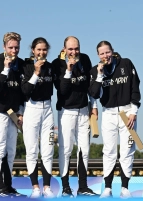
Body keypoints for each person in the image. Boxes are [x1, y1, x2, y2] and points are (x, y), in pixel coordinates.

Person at [88, 40, 141, 199]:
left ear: (112, 51)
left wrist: (134, 110)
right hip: (108, 114)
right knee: (109, 151)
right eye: (102, 53)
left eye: (107, 52)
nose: (105, 56)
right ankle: (108, 188)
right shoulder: (94, 71)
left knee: (127, 150)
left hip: (127, 113)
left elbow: (135, 87)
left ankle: (125, 187)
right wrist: (99, 75)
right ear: (98, 55)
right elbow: (94, 94)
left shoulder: (126, 63)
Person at [52, 36, 98, 197]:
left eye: (76, 48)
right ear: (64, 49)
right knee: (65, 150)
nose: (74, 52)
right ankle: (65, 187)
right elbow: (62, 90)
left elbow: (91, 86)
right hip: (66, 111)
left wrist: (94, 106)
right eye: (70, 49)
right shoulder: (57, 64)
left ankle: (83, 187)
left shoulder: (85, 59)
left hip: (84, 110)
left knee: (84, 149)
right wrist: (69, 70)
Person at [0, 32, 25, 197]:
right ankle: (0, 186)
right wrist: (6, 70)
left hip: (14, 114)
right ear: (4, 47)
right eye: (11, 47)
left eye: (16, 47)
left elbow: (23, 92)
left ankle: (8, 186)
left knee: (10, 151)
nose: (14, 50)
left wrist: (21, 113)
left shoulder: (22, 65)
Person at [21, 37, 56, 198]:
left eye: (44, 49)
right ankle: (35, 187)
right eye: (38, 50)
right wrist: (35, 73)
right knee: (32, 150)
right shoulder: (27, 67)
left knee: (48, 150)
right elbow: (25, 90)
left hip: (47, 109)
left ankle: (47, 187)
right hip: (32, 109)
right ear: (33, 51)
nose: (42, 53)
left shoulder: (51, 67)